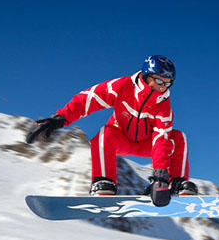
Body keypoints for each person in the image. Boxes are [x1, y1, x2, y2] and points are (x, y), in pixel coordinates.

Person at [25, 55, 197, 207]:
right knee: (105, 133)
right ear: (146, 76)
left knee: (178, 138)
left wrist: (160, 177)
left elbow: (161, 140)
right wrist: (60, 118)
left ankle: (176, 184)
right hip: (119, 140)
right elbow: (89, 99)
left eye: (167, 83)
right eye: (159, 81)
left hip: (147, 145)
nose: (162, 87)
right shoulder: (122, 86)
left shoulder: (163, 106)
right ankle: (103, 183)